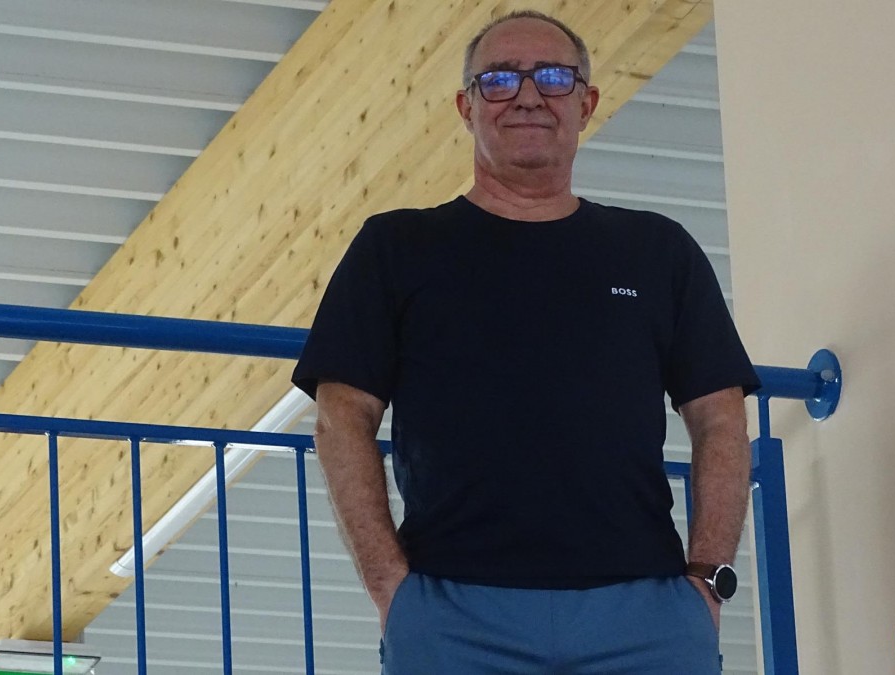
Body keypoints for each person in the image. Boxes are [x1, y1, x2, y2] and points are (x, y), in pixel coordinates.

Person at [292, 10, 760, 674]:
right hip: (453, 618)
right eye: (500, 79)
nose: (528, 95)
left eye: (553, 77)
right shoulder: (396, 248)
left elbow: (720, 417)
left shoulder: (658, 251)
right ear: (466, 107)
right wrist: (390, 588)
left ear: (586, 103)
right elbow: (341, 416)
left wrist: (707, 581)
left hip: (647, 617)